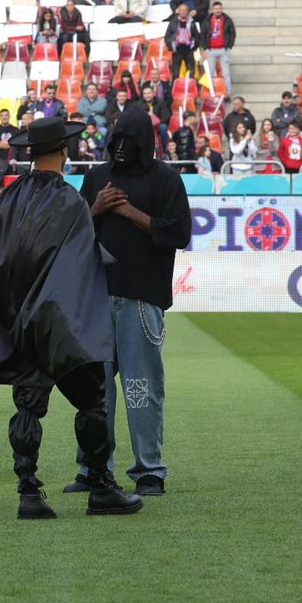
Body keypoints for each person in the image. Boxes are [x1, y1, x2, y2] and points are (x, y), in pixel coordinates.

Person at [0, 116, 144, 520]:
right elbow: (80, 264)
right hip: (61, 324)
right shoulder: (69, 201)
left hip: (22, 324)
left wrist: (13, 314)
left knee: (28, 406)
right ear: (65, 151)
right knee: (92, 401)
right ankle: (101, 487)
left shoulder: (6, 200)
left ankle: (28, 491)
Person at [69, 107, 190, 498]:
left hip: (142, 299)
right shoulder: (96, 178)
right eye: (115, 140)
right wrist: (96, 209)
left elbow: (179, 233)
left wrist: (129, 211)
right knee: (95, 391)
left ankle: (149, 472)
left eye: (128, 141)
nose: (120, 148)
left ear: (144, 143)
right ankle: (93, 470)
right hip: (97, 298)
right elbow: (72, 235)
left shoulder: (165, 179)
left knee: (141, 388)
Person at [164, 3, 203, 80]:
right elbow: (167, 37)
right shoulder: (173, 22)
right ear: (178, 11)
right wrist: (172, 47)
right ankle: (175, 91)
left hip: (189, 51)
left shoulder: (192, 23)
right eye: (181, 10)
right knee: (175, 74)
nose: (183, 12)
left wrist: (194, 47)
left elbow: (197, 36)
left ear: (188, 11)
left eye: (185, 10)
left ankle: (191, 90)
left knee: (191, 74)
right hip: (177, 52)